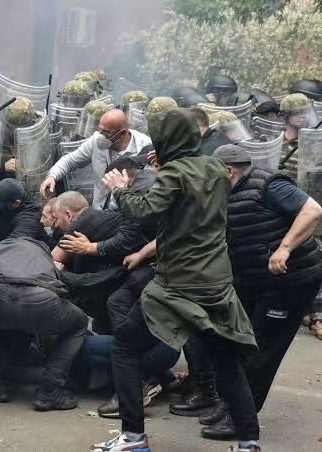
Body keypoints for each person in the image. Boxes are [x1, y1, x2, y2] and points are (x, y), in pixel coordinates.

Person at [93, 108, 259, 452]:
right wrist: (164, 168)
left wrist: (121, 190)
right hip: (215, 283)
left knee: (125, 347)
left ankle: (133, 438)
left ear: (167, 139)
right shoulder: (217, 168)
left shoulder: (173, 173)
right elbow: (190, 202)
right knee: (226, 363)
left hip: (177, 284)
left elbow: (144, 210)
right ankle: (248, 443)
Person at [196, 145, 322, 439]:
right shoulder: (226, 193)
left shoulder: (270, 184)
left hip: (290, 281)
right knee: (237, 342)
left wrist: (284, 248)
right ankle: (231, 404)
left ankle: (240, 419)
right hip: (254, 280)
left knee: (261, 350)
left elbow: (312, 211)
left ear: (228, 171)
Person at [0, 237, 88, 411]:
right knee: (79, 323)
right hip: (40, 300)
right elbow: (61, 289)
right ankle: (50, 390)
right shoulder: (45, 257)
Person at [39, 110, 152, 209]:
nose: (100, 136)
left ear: (122, 133)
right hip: (99, 209)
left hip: (126, 212)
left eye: (106, 132)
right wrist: (52, 176)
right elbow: (70, 160)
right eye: (99, 130)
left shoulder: (145, 148)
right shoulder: (96, 141)